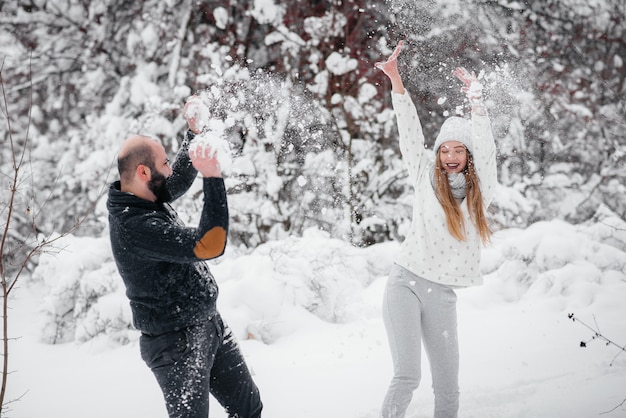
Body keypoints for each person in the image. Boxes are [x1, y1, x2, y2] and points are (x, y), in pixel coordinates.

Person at [107, 97, 263, 418]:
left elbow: (174, 180)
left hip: (209, 324)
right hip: (175, 343)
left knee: (249, 409)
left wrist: (193, 134)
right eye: (163, 163)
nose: (170, 167)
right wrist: (213, 177)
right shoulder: (135, 225)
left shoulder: (142, 194)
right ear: (143, 171)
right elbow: (210, 243)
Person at [374, 40, 497, 418]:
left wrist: (477, 102)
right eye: (445, 149)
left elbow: (489, 149)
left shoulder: (481, 193)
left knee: (447, 386)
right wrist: (396, 81)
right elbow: (409, 132)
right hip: (405, 283)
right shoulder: (425, 176)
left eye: (459, 150)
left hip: (441, 293)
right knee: (407, 376)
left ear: (469, 155)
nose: (450, 157)